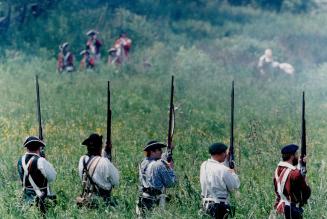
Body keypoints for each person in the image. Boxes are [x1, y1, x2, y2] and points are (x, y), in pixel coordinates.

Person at [77, 133, 119, 206]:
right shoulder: (105, 162)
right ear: (100, 147)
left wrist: (105, 152)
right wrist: (108, 156)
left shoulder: (82, 159)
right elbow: (116, 182)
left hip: (85, 199)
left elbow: (95, 160)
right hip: (102, 203)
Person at [200, 143, 240, 219]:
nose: (225, 155)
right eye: (224, 153)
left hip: (205, 205)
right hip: (220, 206)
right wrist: (233, 171)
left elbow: (217, 168)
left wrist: (226, 162)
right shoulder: (224, 169)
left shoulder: (204, 165)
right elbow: (235, 185)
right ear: (220, 154)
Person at [136, 140, 176, 216]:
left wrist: (169, 150)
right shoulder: (159, 165)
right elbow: (171, 184)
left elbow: (161, 159)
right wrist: (170, 169)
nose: (161, 151)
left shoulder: (143, 162)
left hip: (142, 198)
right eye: (159, 150)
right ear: (152, 151)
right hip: (155, 202)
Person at [17, 136, 57, 213]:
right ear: (39, 148)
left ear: (27, 147)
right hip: (42, 198)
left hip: (26, 197)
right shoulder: (40, 160)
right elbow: (53, 177)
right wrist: (45, 160)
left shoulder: (20, 160)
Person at [273, 144, 311, 219]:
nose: (298, 156)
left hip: (280, 208)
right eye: (296, 154)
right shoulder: (295, 174)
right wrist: (304, 178)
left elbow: (288, 175)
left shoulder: (278, 169)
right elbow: (306, 194)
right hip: (292, 211)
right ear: (292, 156)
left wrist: (300, 165)